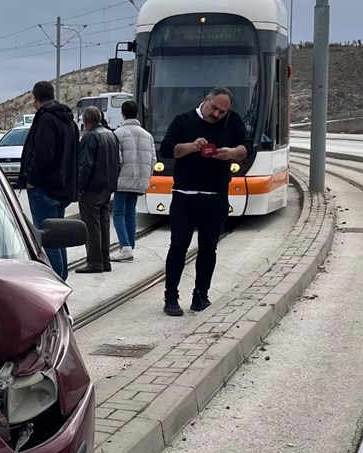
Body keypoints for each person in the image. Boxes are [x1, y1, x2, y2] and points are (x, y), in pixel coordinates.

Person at [158, 87, 253, 316]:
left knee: (208, 248)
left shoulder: (233, 121)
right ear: (205, 100)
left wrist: (232, 152)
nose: (217, 115)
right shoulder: (183, 121)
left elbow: (247, 147)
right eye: (215, 108)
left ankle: (201, 295)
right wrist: (192, 146)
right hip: (184, 195)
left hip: (215, 196)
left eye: (222, 111)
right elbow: (167, 149)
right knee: (178, 246)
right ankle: (171, 297)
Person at [16, 80, 79, 280]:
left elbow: (44, 154)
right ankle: (62, 277)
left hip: (45, 188)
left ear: (35, 98)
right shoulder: (68, 120)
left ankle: (56, 281)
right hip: (63, 187)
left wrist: (31, 179)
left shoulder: (45, 119)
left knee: (47, 238)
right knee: (58, 237)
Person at [74, 106, 121, 274]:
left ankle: (94, 262)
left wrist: (80, 187)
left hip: (92, 188)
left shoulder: (90, 137)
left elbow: (85, 165)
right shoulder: (111, 135)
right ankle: (105, 260)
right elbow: (119, 161)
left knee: (92, 225)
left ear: (86, 121)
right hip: (107, 186)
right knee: (103, 223)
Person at [111, 100, 156, 263]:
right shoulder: (147, 135)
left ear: (122, 114)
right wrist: (146, 177)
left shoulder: (118, 134)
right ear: (137, 113)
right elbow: (152, 159)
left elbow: (118, 160)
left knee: (117, 213)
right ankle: (130, 244)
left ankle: (125, 247)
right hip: (140, 181)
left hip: (122, 179)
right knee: (131, 212)